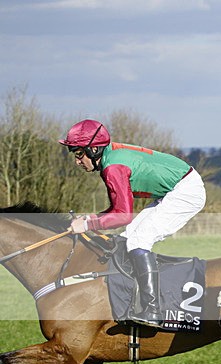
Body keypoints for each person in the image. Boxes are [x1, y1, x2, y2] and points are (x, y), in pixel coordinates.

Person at [59, 119, 206, 327]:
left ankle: (153, 311)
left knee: (139, 240)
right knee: (128, 237)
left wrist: (87, 224)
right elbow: (116, 211)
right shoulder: (109, 158)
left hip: (186, 191)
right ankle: (131, 297)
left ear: (93, 149)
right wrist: (89, 220)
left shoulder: (113, 168)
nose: (77, 161)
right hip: (176, 188)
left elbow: (122, 216)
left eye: (78, 154)